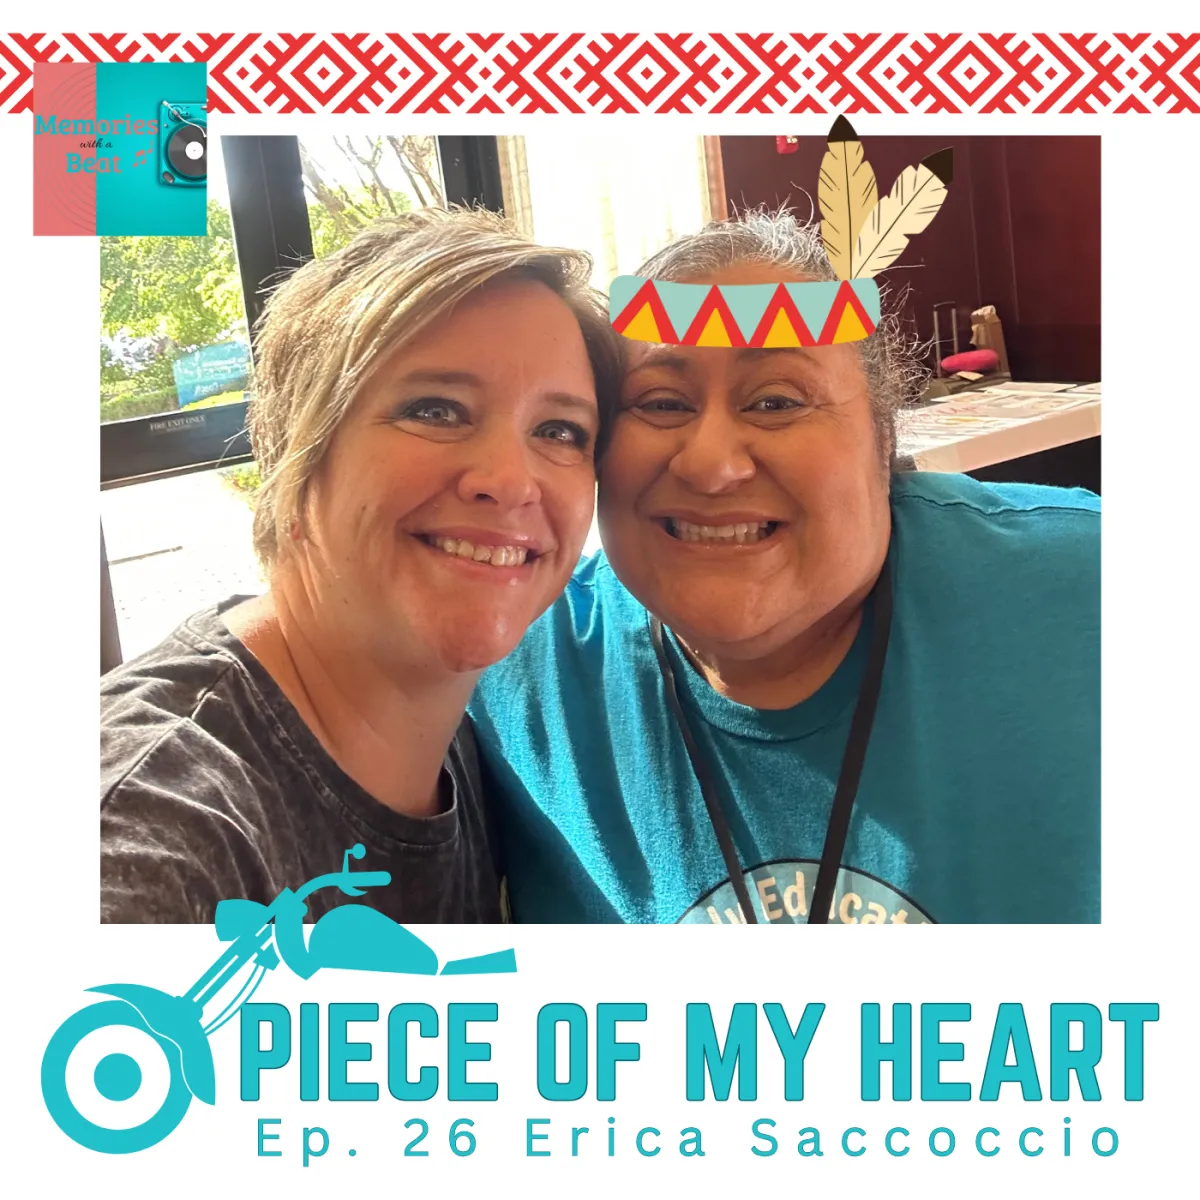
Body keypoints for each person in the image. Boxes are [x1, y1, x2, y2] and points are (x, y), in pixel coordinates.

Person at [468, 208, 1100, 924]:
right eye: (662, 403)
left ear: (881, 439)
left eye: (776, 400)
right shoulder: (508, 661)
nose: (710, 463)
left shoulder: (1093, 593)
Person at [102, 207, 618, 924]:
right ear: (297, 451)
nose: (510, 477)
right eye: (436, 410)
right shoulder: (154, 827)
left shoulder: (465, 738)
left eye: (559, 430)